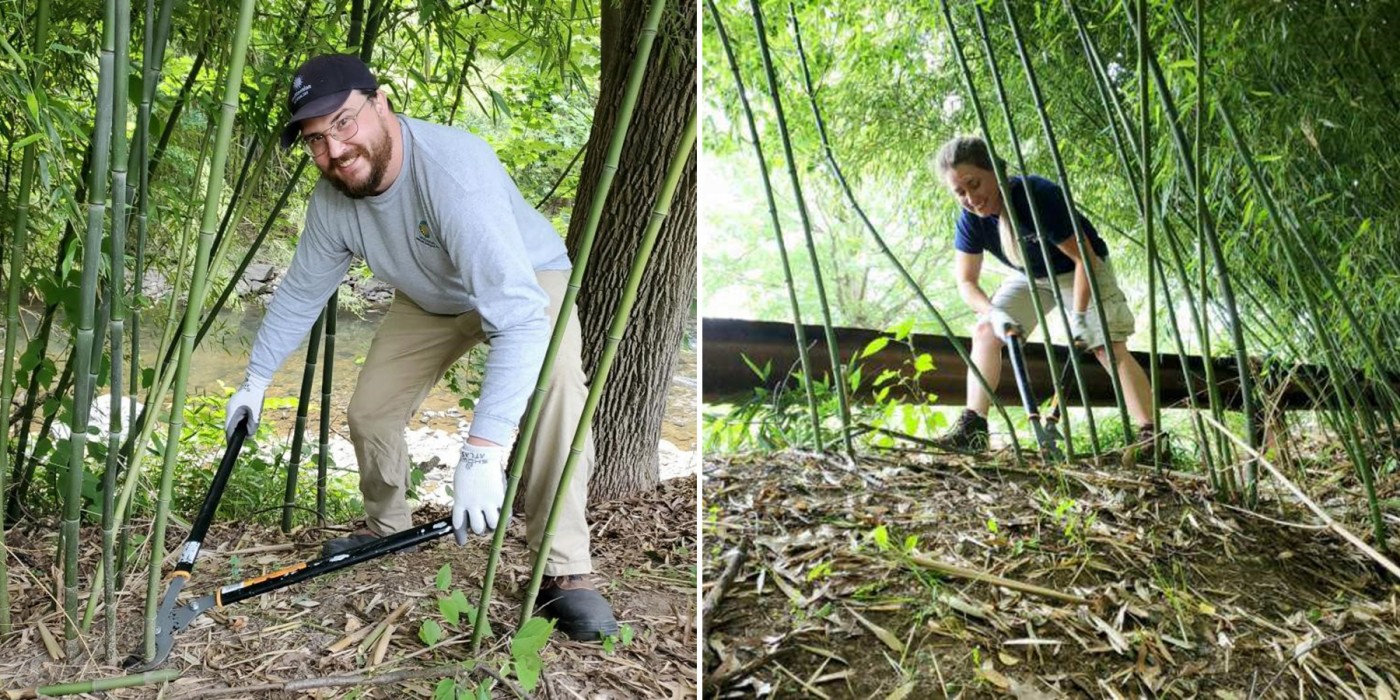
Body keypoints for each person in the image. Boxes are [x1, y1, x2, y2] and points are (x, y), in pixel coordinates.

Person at [224, 54, 617, 640]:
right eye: (315, 141)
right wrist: (255, 381)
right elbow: (301, 295)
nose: (333, 151)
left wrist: (483, 452)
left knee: (558, 391)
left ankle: (565, 571)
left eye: (344, 123)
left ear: (381, 102)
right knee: (371, 412)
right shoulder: (332, 202)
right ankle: (389, 530)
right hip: (429, 296)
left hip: (524, 283)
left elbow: (518, 317)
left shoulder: (452, 170)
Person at [931, 135, 1159, 455]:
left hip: (1080, 270)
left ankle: (1151, 438)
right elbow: (967, 283)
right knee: (985, 330)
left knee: (1105, 346)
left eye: (974, 184)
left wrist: (1079, 317)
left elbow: (1085, 259)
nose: (971, 197)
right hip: (1031, 276)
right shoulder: (970, 220)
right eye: (960, 192)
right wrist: (994, 314)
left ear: (996, 171)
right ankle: (973, 427)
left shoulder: (1037, 195)